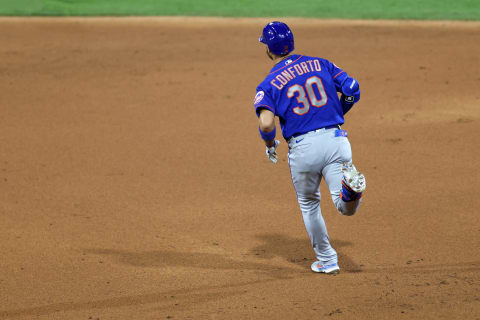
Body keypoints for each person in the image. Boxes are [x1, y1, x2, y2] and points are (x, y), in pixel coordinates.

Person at [254, 21, 366, 274]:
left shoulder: (269, 83)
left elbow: (267, 122)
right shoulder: (321, 63)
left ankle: (328, 261)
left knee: (309, 204)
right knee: (343, 206)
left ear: (268, 51)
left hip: (304, 148)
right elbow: (352, 89)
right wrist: (339, 110)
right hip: (337, 140)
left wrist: (270, 143)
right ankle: (351, 192)